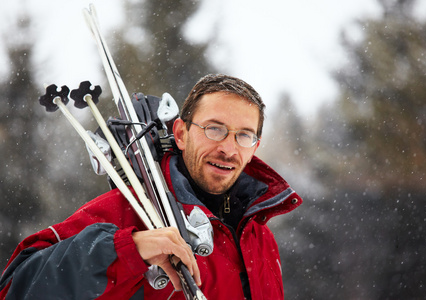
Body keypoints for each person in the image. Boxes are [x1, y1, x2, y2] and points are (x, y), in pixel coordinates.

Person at [0, 74, 301, 299]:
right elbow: (15, 289)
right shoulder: (128, 211)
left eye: (244, 135)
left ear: (255, 147)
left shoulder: (259, 238)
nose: (228, 148)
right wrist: (127, 250)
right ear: (181, 133)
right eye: (214, 129)